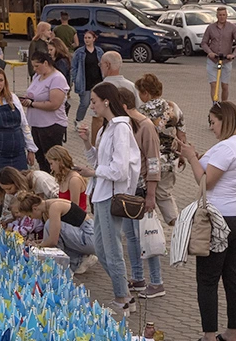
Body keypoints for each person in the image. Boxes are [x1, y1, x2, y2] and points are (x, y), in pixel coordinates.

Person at [177, 101, 236, 341]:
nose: (211, 127)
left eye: (213, 122)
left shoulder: (226, 146)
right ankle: (232, 334)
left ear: (225, 120)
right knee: (233, 276)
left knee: (208, 278)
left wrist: (191, 157)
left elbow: (206, 182)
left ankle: (209, 337)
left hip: (221, 218)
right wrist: (196, 157)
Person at [78, 82, 142, 316]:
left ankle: (121, 298)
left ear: (106, 101)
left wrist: (94, 173)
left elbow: (120, 169)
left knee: (111, 249)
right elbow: (100, 162)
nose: (91, 106)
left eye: (94, 101)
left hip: (112, 195)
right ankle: (124, 294)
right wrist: (87, 142)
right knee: (102, 249)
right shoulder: (107, 128)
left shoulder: (121, 128)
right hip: (101, 193)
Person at [118, 89, 165, 299]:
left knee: (146, 235)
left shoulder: (145, 126)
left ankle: (157, 281)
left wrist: (151, 194)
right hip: (128, 190)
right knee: (131, 236)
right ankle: (138, 277)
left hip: (142, 189)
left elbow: (154, 161)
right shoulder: (125, 126)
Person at [136, 73, 186, 225]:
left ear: (146, 92)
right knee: (165, 195)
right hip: (170, 159)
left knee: (146, 196)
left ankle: (154, 228)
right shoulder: (173, 107)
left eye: (140, 93)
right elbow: (182, 133)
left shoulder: (141, 112)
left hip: (150, 161)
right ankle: (178, 226)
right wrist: (182, 154)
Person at [14, 192, 98, 274]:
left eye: (30, 215)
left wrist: (36, 246)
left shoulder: (54, 207)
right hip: (85, 235)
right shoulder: (49, 206)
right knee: (50, 227)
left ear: (35, 208)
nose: (32, 219)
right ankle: (75, 261)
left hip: (90, 237)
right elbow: (51, 237)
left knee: (49, 224)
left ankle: (63, 264)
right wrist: (36, 242)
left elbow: (53, 241)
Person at [21, 51, 69, 175]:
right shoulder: (37, 76)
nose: (34, 69)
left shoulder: (57, 78)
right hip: (36, 124)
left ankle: (57, 183)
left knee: (52, 160)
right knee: (41, 158)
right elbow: (34, 94)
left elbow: (54, 104)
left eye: (37, 66)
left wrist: (32, 104)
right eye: (33, 66)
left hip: (51, 125)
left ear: (46, 63)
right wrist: (25, 99)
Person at [201, 6, 236, 102]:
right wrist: (210, 52)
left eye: (224, 15)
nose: (222, 17)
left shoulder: (232, 27)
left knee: (224, 86)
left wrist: (233, 54)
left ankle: (224, 106)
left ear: (226, 15)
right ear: (217, 16)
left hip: (226, 61)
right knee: (214, 85)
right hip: (213, 60)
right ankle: (215, 105)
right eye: (220, 15)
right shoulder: (210, 28)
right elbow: (204, 43)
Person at [71, 30, 104, 122]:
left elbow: (103, 64)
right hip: (84, 82)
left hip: (98, 81)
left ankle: (98, 120)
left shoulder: (99, 51)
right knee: (84, 103)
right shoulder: (79, 52)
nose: (87, 40)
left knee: (98, 103)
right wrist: (74, 79)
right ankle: (78, 120)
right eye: (85, 38)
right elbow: (74, 67)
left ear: (94, 39)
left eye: (89, 38)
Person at [47, 145, 87, 209]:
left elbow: (74, 208)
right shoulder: (63, 177)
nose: (51, 168)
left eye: (51, 163)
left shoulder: (74, 179)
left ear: (59, 161)